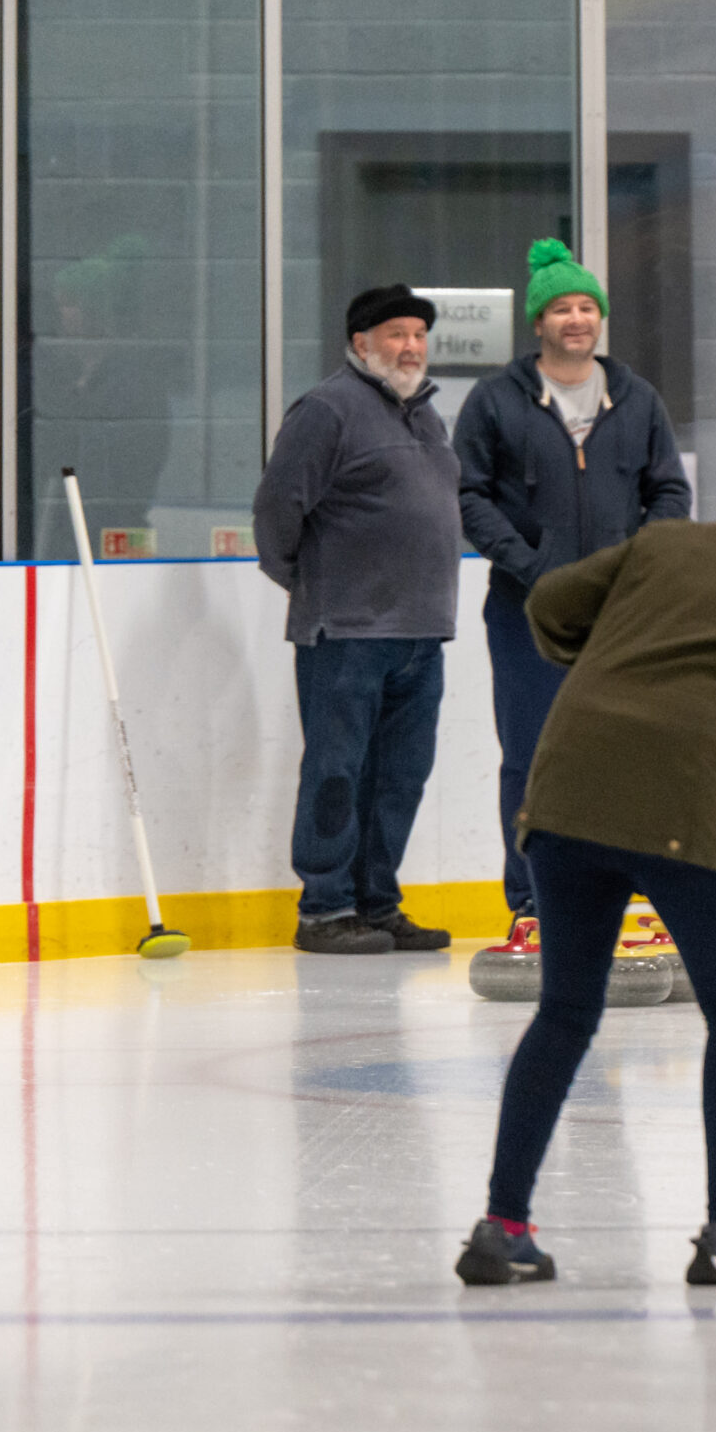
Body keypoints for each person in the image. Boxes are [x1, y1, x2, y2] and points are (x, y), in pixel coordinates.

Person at [456, 438, 716, 1289]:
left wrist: (611, 672)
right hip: (685, 805)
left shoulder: (668, 544)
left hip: (567, 785)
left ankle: (502, 1226)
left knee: (565, 1012)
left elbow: (550, 604)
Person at [454, 238, 692, 930]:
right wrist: (533, 567)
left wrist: (635, 568)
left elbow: (669, 492)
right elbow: (467, 495)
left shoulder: (637, 399)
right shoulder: (495, 401)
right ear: (539, 322)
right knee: (533, 755)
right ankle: (533, 900)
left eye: (587, 307)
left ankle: (625, 892)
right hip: (527, 610)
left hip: (620, 613)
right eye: (561, 309)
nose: (576, 319)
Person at [252, 284, 461, 955]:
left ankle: (376, 900)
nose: (411, 347)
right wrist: (313, 584)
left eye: (419, 335)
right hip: (345, 633)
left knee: (401, 776)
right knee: (337, 771)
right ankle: (325, 907)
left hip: (421, 632)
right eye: (396, 334)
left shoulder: (426, 415)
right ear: (360, 343)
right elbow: (276, 511)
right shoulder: (326, 410)